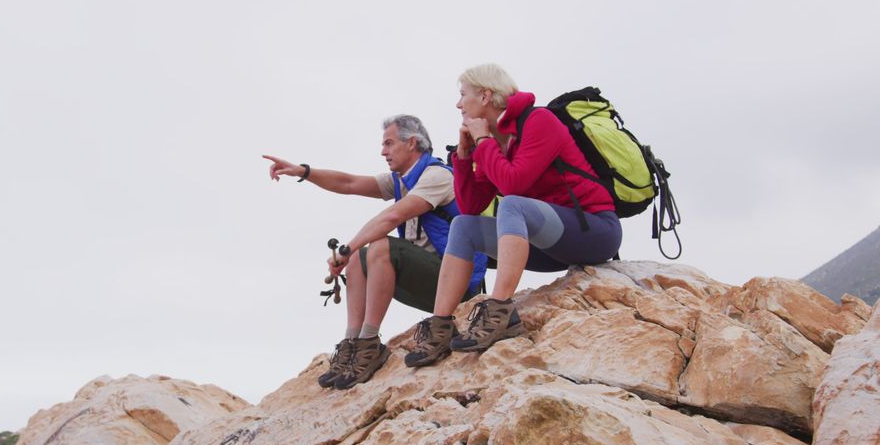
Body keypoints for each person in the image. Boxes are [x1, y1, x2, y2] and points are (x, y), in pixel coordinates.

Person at [404, 64, 623, 367]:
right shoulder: (495, 139)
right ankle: (441, 325)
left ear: (485, 96)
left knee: (512, 204)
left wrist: (484, 143)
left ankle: (500, 311)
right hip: (549, 247)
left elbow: (513, 184)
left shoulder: (539, 121)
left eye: (462, 95)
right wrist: (465, 158)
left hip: (595, 232)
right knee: (463, 225)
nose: (458, 104)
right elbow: (470, 207)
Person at [264, 115, 484, 390]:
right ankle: (353, 343)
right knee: (360, 256)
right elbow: (349, 183)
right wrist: (304, 172)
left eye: (389, 143)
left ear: (412, 142)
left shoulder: (436, 176)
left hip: (460, 286)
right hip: (434, 281)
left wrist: (347, 248)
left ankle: (369, 344)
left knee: (376, 245)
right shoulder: (402, 181)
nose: (383, 151)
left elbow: (393, 216)